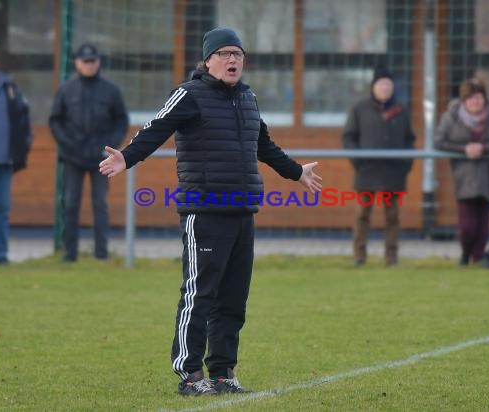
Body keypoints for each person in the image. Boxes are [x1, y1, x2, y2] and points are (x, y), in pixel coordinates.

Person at [99, 27, 322, 396]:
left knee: (234, 298)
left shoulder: (247, 98)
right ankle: (189, 375)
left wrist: (296, 172)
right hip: (204, 211)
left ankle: (222, 372)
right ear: (207, 60)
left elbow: (263, 145)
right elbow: (157, 128)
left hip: (241, 210)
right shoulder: (189, 94)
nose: (233, 60)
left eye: (238, 54)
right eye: (224, 53)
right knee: (199, 294)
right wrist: (128, 156)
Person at [49, 43, 128, 262]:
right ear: (76, 63)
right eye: (85, 61)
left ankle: (101, 253)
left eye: (92, 61)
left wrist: (109, 146)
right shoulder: (66, 90)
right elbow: (55, 121)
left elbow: (121, 120)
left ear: (98, 62)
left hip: (101, 159)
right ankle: (69, 253)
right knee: (71, 202)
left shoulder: (111, 90)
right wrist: (67, 143)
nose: (89, 65)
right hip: (73, 156)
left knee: (100, 204)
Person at [435, 77, 489, 265]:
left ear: (484, 98)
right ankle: (465, 253)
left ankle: (477, 257)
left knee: (483, 221)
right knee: (467, 223)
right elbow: (439, 141)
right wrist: (464, 149)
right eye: (470, 97)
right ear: (464, 100)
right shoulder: (451, 117)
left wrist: (485, 148)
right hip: (464, 175)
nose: (475, 101)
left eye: (478, 97)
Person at [341, 66, 416, 267]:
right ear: (373, 86)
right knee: (362, 215)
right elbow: (349, 137)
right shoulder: (360, 109)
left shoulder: (402, 110)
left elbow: (410, 139)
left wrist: (405, 164)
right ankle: (359, 256)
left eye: (388, 84)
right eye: (381, 84)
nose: (384, 88)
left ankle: (391, 258)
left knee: (392, 217)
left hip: (394, 174)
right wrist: (358, 161)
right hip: (367, 172)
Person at [0, 43, 32, 266]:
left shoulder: (10, 88)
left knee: (1, 212)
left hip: (3, 162)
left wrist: (22, 148)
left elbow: (23, 121)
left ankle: (0, 255)